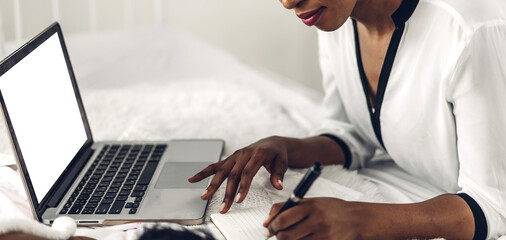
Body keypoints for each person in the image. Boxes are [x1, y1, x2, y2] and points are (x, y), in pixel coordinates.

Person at [188, 0, 506, 239]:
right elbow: (354, 133)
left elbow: (494, 206)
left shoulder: (469, 32)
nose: (287, 2)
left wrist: (359, 220)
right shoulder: (334, 16)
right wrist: (284, 147)